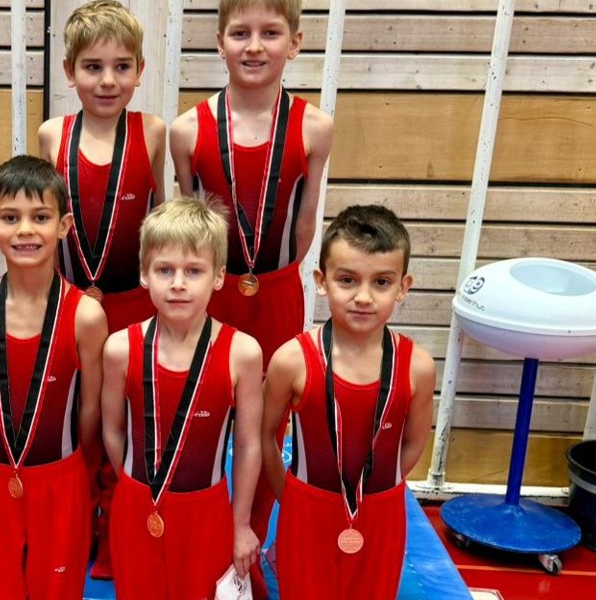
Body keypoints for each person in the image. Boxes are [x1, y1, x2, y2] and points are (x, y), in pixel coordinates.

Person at [169, 2, 333, 590]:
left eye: (270, 33)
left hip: (279, 290)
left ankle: (249, 542)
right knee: (204, 413)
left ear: (295, 42)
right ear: (220, 42)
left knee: (269, 422)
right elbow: (190, 226)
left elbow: (306, 220)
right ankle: (201, 534)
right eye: (240, 33)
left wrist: (279, 274)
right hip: (214, 293)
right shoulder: (188, 131)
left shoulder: (315, 127)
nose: (255, 46)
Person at [37, 0, 165, 578]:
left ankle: (117, 535)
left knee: (129, 424)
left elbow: (163, 225)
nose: (107, 80)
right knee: (75, 420)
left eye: (121, 67)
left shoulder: (152, 133)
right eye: (93, 67)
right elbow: (42, 220)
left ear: (140, 70)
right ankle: (73, 529)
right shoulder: (52, 135)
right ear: (69, 72)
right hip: (68, 305)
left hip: (133, 303)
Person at [0, 155, 107, 599]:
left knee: (57, 589)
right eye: (10, 218)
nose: (25, 230)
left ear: (63, 226)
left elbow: (90, 409)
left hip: (62, 479)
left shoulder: (86, 316)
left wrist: (64, 468)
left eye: (40, 217)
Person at [262, 204, 435, 598]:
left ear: (403, 287)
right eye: (347, 280)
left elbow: (413, 443)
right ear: (321, 281)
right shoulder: (292, 359)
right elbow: (265, 436)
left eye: (382, 282)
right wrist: (291, 498)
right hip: (307, 507)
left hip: (381, 512)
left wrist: (377, 490)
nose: (363, 297)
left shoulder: (418, 367)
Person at [101, 198, 263, 600]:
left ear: (219, 276)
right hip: (136, 507)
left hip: (207, 514)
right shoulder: (120, 348)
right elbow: (113, 430)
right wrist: (138, 490)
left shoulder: (242, 353)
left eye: (193, 271)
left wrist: (241, 524)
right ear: (144, 274)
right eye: (164, 270)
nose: (178, 283)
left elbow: (248, 445)